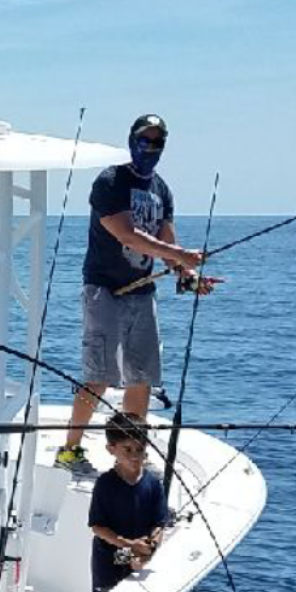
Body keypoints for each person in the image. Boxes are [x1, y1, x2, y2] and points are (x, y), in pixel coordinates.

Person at [55, 113, 209, 477]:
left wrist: (188, 275)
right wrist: (178, 257)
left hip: (142, 292)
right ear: (132, 141)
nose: (151, 148)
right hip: (104, 290)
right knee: (100, 376)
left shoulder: (162, 190)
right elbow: (126, 235)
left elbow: (168, 243)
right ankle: (69, 449)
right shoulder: (110, 181)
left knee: (141, 377)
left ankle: (131, 449)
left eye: (158, 143)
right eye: (145, 140)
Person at [87, 414, 170, 592]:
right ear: (111, 449)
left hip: (136, 555)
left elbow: (159, 524)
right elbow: (97, 527)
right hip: (108, 559)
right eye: (127, 449)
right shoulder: (105, 483)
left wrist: (149, 550)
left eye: (139, 449)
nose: (135, 456)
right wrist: (130, 546)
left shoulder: (154, 484)